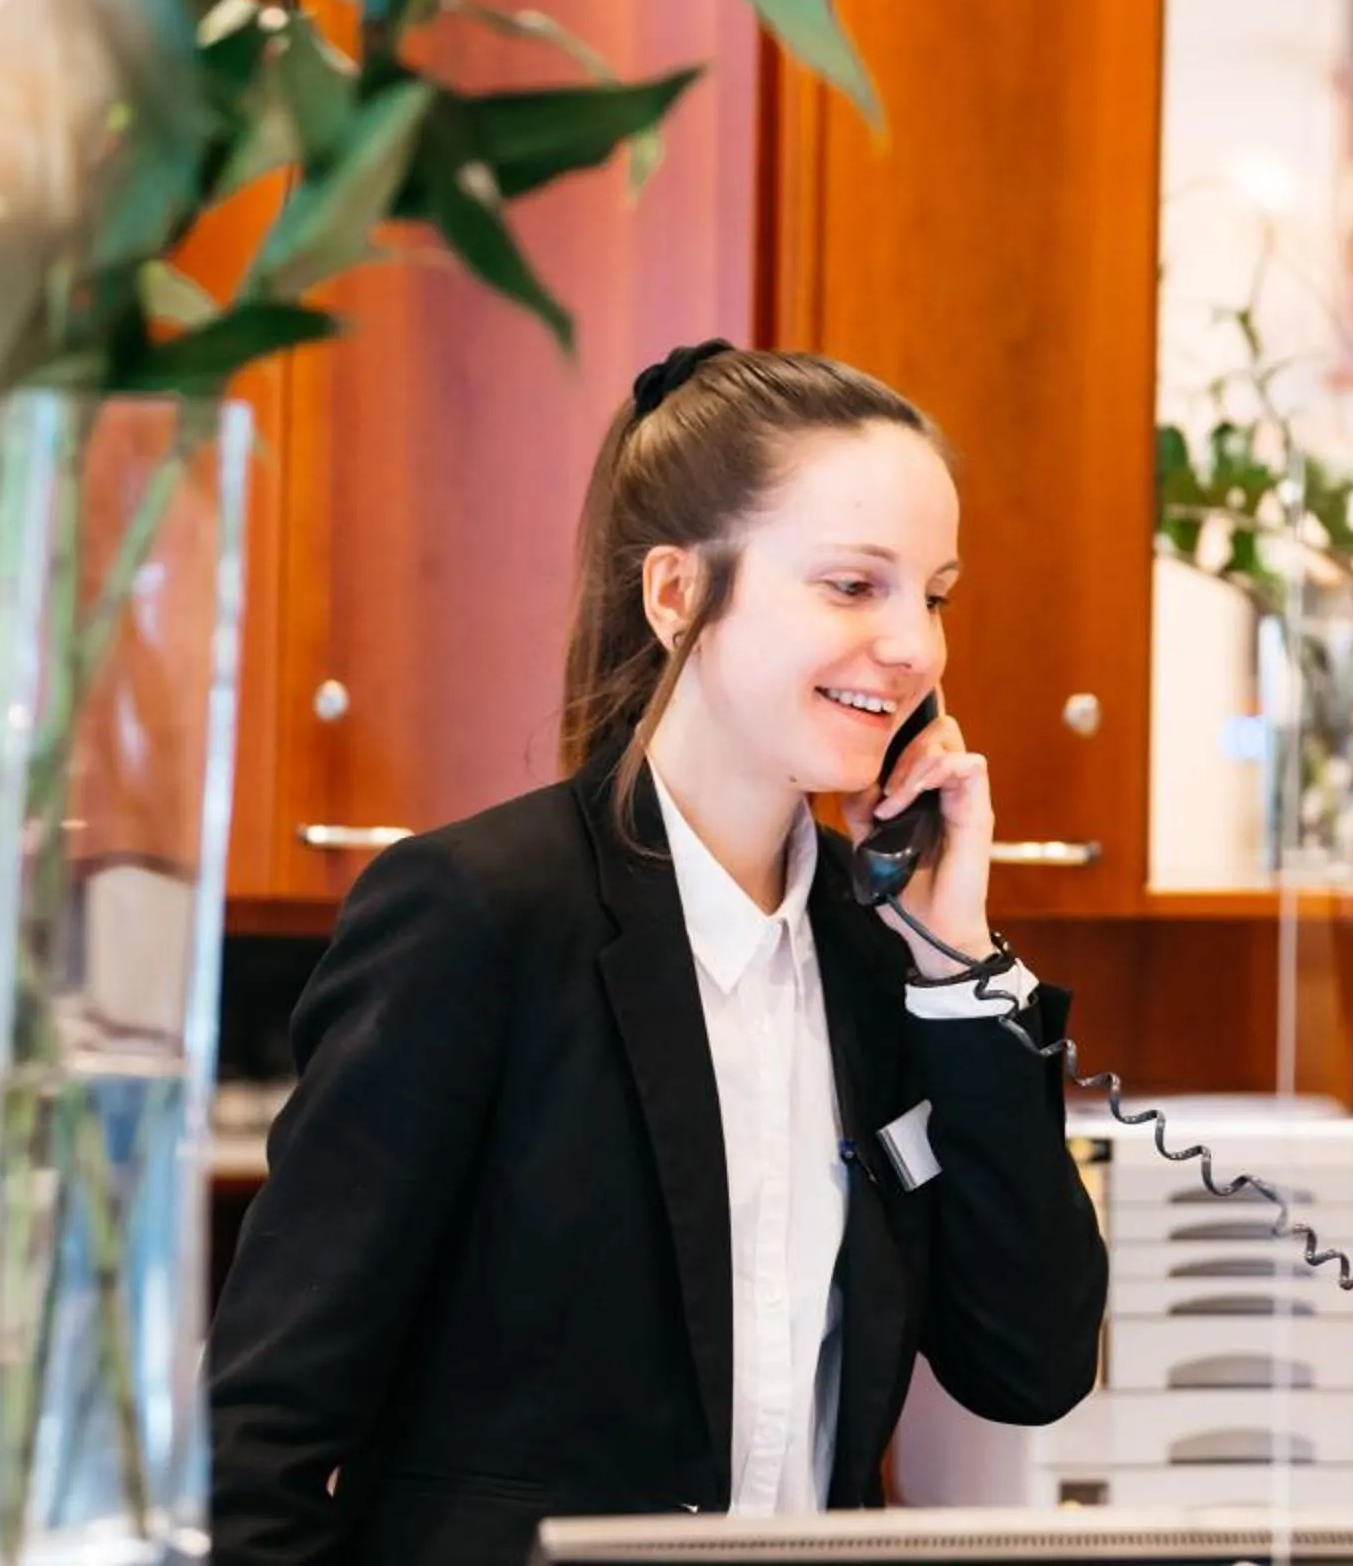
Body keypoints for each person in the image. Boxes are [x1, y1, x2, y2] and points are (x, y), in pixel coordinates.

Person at [207, 342, 1109, 1564]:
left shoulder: (879, 949)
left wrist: (959, 969)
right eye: (854, 585)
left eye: (934, 594)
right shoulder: (477, 914)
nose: (916, 649)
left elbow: (1031, 1364)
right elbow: (258, 1433)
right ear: (678, 592)